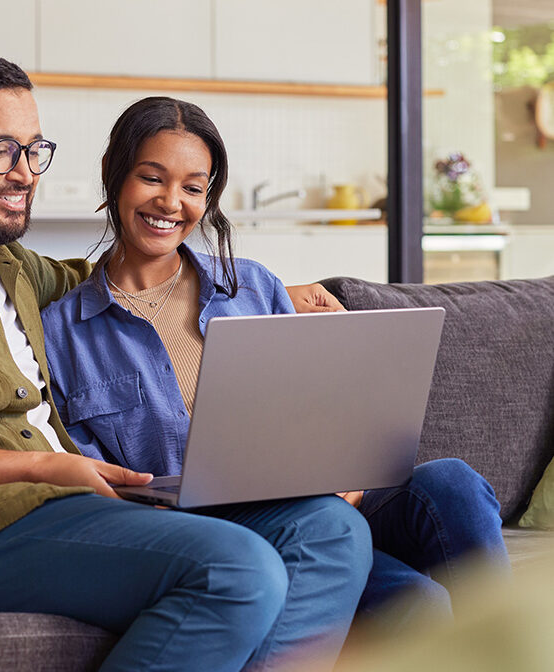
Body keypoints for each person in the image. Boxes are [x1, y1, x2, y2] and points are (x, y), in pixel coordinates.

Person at [0, 52, 368, 672]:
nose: (26, 173)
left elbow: (124, 279)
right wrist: (39, 467)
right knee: (235, 569)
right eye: (2, 151)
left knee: (330, 531)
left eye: (36, 150)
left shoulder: (15, 270)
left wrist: (267, 291)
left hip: (68, 507)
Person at [40, 96, 510, 636]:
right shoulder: (62, 333)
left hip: (327, 498)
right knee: (417, 604)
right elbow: (101, 486)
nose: (171, 202)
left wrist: (347, 475)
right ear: (114, 176)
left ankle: (512, 649)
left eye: (194, 187)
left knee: (453, 481)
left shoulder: (254, 285)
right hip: (232, 533)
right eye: (152, 178)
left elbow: (321, 410)